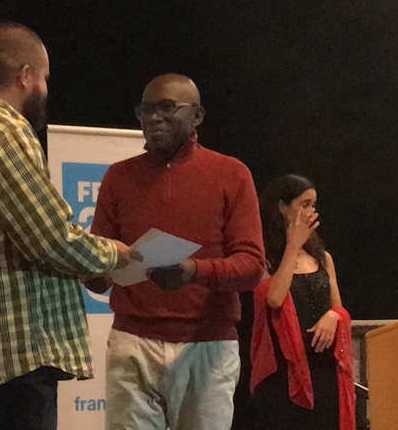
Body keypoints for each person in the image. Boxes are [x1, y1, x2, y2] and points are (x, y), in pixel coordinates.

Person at [0, 24, 139, 430]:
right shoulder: (3, 132)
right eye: (44, 78)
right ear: (25, 76)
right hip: (15, 352)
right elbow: (51, 239)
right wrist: (115, 254)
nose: (45, 89)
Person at [84, 74, 265, 430]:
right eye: (145, 110)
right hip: (132, 342)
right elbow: (97, 271)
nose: (154, 118)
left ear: (197, 115)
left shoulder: (231, 173)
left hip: (207, 344)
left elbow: (251, 266)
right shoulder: (118, 177)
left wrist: (193, 271)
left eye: (167, 108)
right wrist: (95, 269)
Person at [249, 174, 355, 430]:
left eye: (313, 205)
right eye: (304, 204)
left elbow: (338, 307)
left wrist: (334, 316)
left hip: (324, 367)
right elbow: (274, 299)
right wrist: (293, 245)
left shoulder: (322, 257)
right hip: (286, 371)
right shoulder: (264, 258)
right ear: (282, 208)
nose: (310, 212)